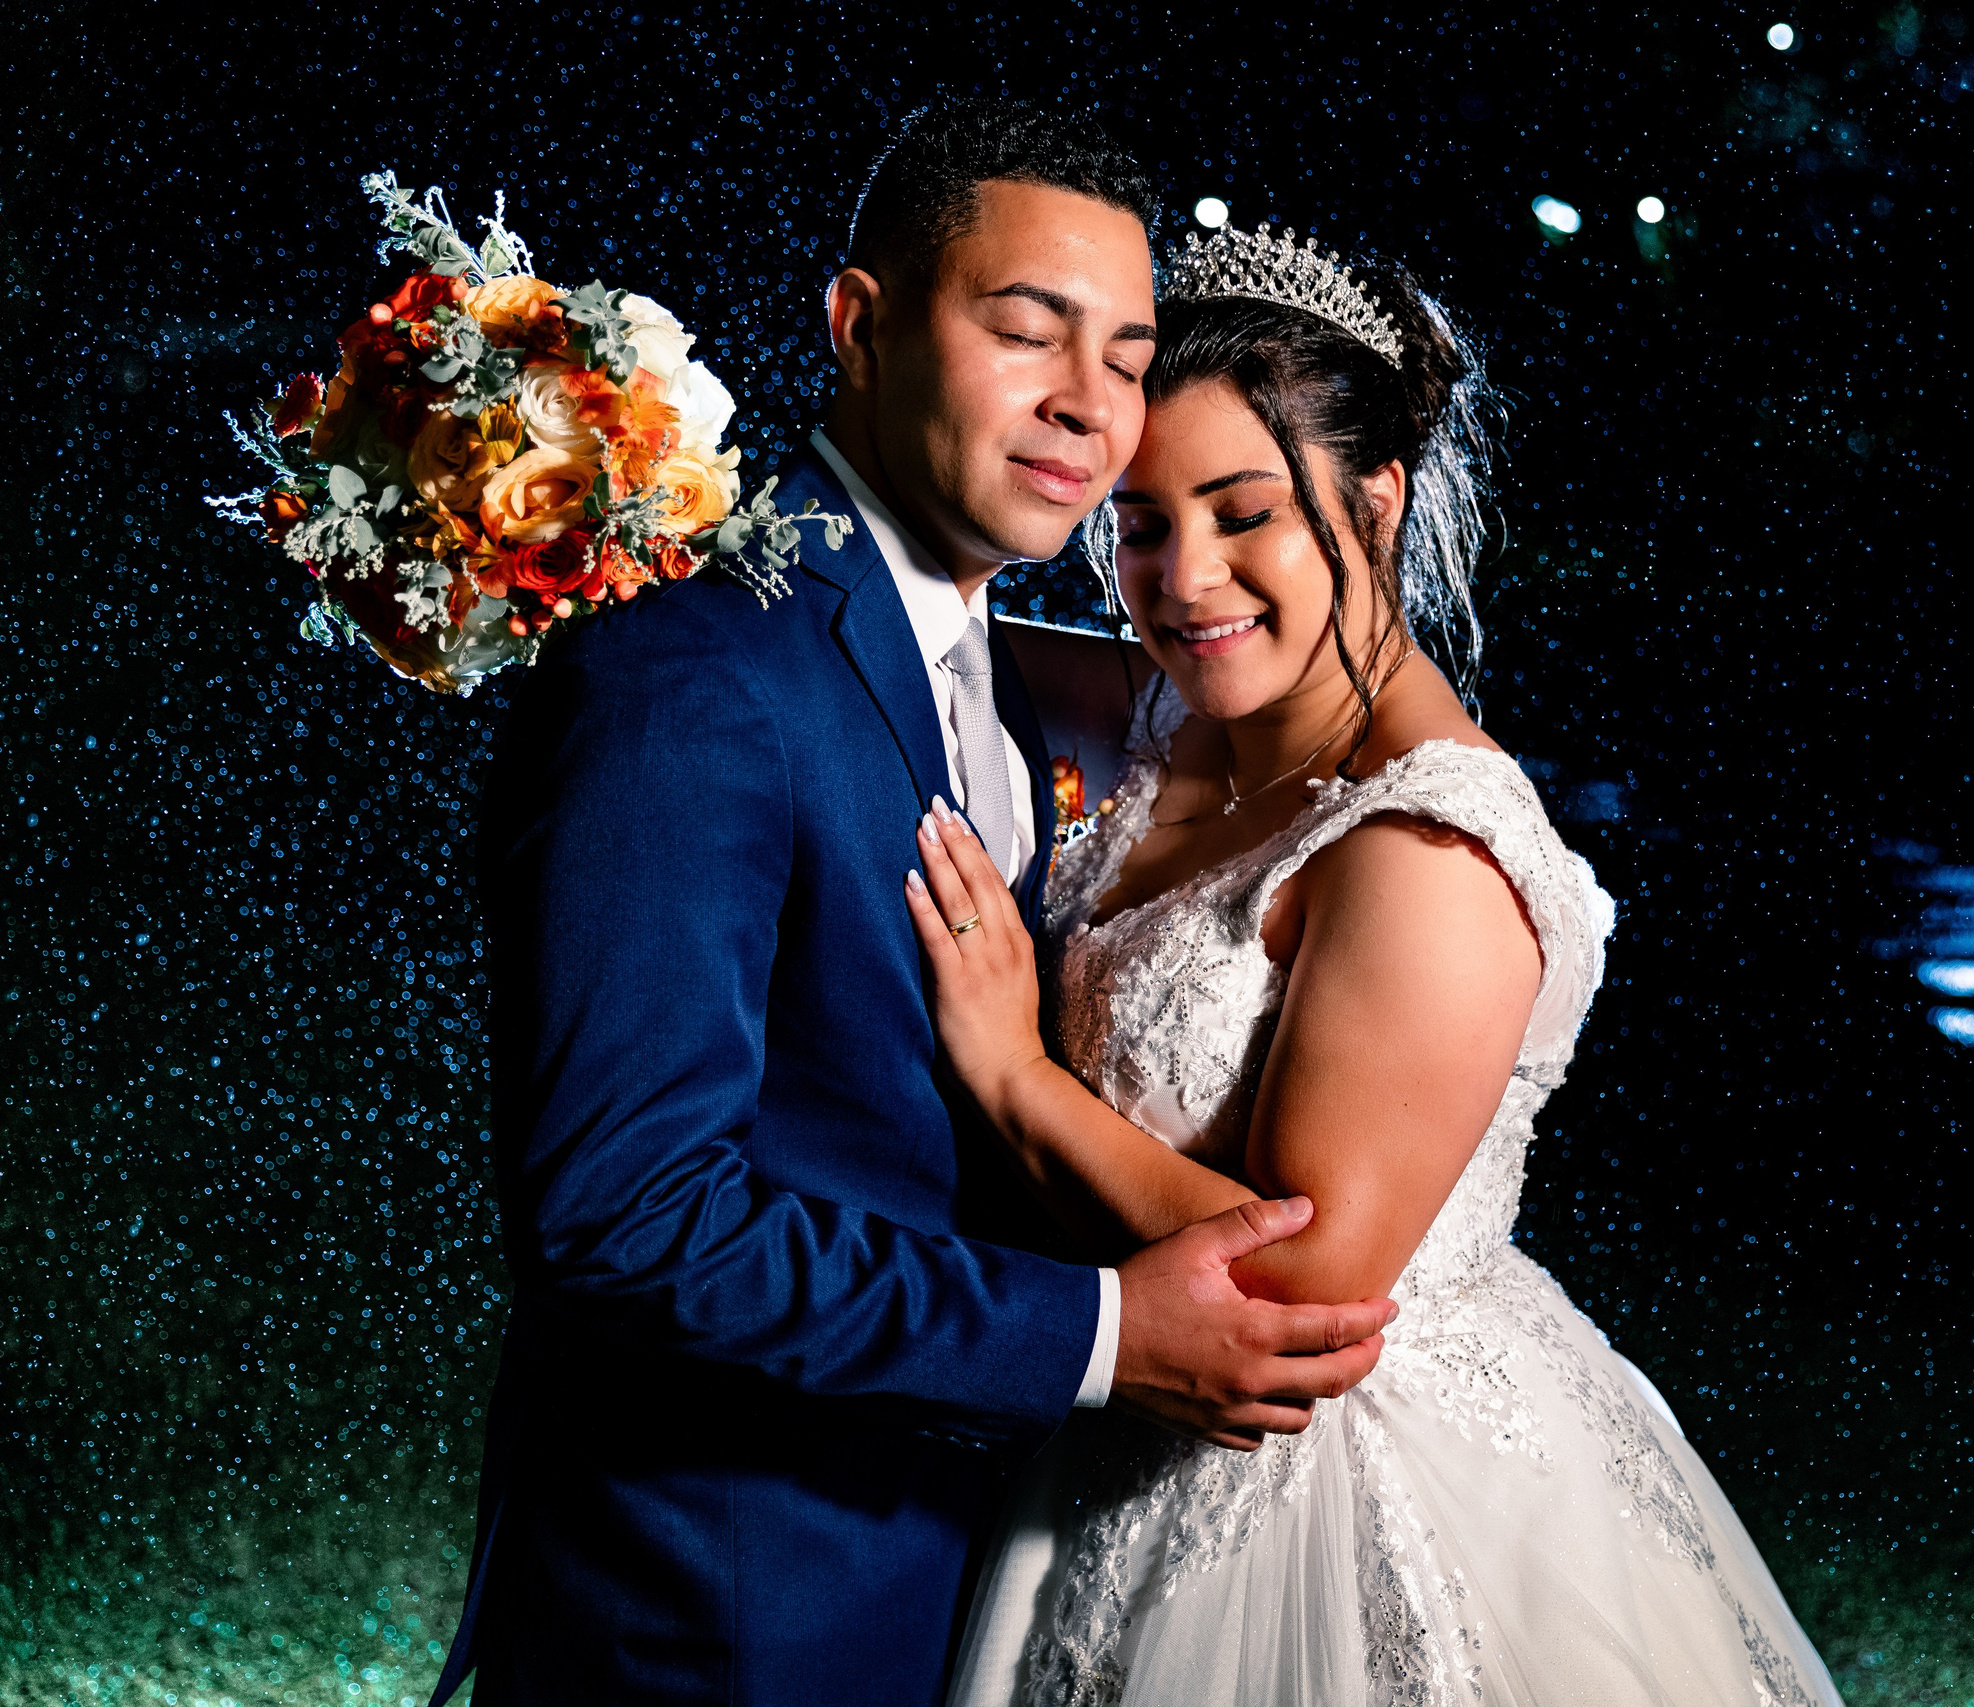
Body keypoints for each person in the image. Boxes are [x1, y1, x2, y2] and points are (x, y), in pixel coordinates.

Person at [430, 103, 1400, 1707]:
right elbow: (625, 1213)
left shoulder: (996, 667)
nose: (1089, 408)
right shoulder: (693, 669)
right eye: (1028, 331)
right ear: (860, 326)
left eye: (1129, 357)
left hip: (968, 1569)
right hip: (732, 1607)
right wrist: (1097, 1338)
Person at [912, 229, 1848, 1705]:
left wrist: (1018, 1077)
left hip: (1327, 1510)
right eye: (1141, 523)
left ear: (1377, 496)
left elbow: (1300, 1287)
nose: (1184, 578)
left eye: (1245, 515)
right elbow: (917, 632)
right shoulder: (1181, 730)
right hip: (1103, 1440)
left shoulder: (1431, 851)